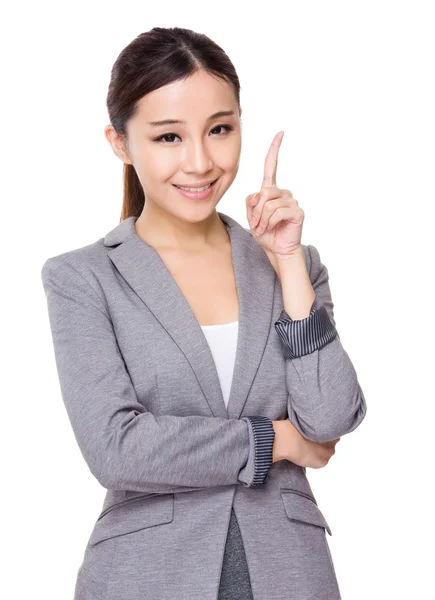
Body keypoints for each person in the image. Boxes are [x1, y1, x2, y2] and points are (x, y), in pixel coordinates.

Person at [40, 26, 367, 600]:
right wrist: (276, 442)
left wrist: (288, 262)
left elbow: (330, 417)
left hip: (289, 572)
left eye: (220, 130)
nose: (199, 162)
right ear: (120, 143)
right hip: (146, 575)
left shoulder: (294, 267)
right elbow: (118, 450)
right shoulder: (83, 278)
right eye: (168, 137)